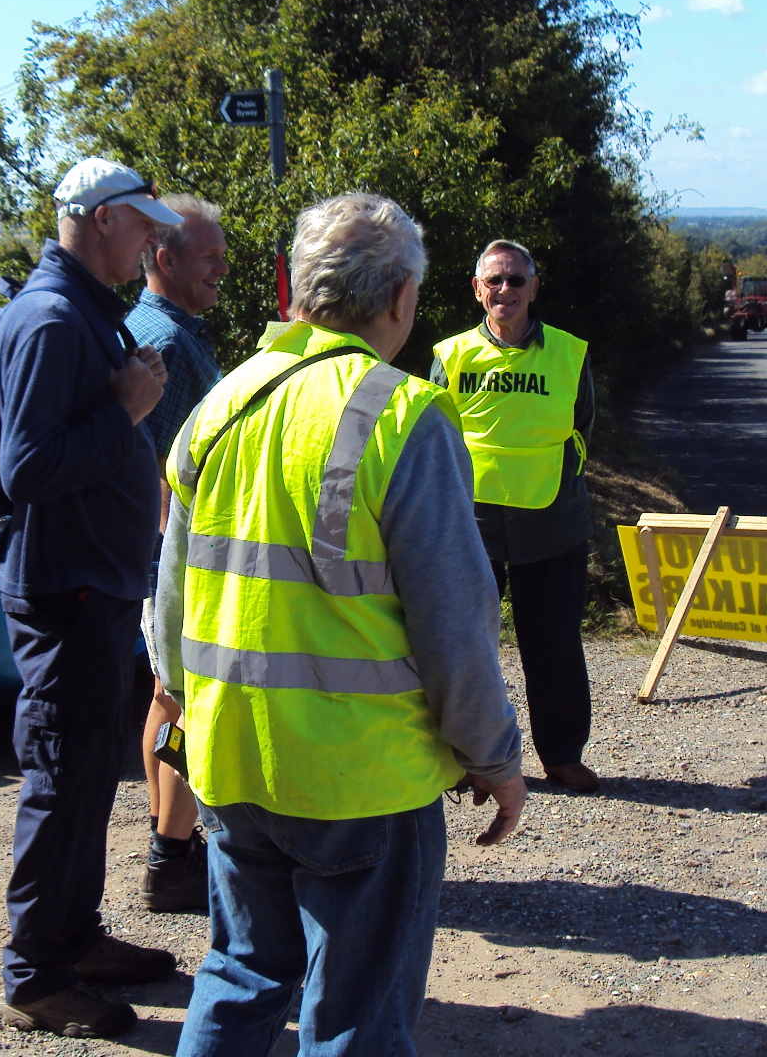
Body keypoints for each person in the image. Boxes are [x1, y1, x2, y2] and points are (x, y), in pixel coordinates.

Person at [152, 193, 526, 1056]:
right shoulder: (405, 414)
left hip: (233, 758)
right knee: (356, 1014)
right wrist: (496, 758)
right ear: (400, 297)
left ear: (300, 290)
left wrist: (181, 705)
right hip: (363, 778)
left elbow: (167, 604)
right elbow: (456, 623)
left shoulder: (220, 405)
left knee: (241, 974)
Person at [0, 156, 183, 1038]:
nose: (151, 240)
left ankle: (75, 937)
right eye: (142, 223)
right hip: (63, 590)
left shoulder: (80, 314)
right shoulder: (53, 322)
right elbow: (24, 469)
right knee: (61, 780)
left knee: (82, 779)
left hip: (90, 586)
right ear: (102, 218)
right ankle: (36, 976)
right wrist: (129, 411)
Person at [430, 241, 599, 793]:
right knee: (465, 646)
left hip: (552, 523)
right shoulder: (451, 355)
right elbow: (431, 437)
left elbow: (584, 427)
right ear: (478, 289)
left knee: (554, 645)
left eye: (516, 281)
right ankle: (469, 759)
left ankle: (562, 755)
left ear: (534, 287)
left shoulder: (571, 353)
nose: (506, 291)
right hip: (468, 526)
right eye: (495, 281)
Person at [125, 194, 229, 913]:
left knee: (166, 697)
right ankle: (172, 855)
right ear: (164, 258)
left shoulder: (171, 329)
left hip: (164, 559)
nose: (222, 270)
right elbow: (150, 463)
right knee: (190, 703)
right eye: (210, 258)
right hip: (174, 559)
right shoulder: (159, 339)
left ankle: (172, 842)